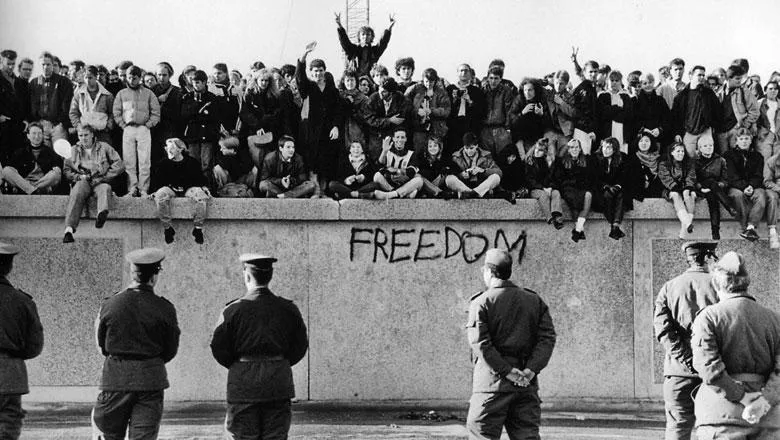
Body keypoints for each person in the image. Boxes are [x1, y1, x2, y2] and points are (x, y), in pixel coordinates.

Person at [210, 253, 308, 440]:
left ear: (247, 276)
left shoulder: (232, 310)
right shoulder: (288, 309)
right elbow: (300, 346)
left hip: (243, 384)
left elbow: (219, 348)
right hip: (278, 382)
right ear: (270, 276)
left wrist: (239, 365)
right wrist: (278, 363)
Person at [466, 248, 556, 440]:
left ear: (489, 272)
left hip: (491, 386)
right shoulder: (534, 300)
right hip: (526, 384)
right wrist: (531, 370)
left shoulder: (481, 302)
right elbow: (547, 338)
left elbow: (480, 343)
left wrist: (506, 371)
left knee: (482, 435)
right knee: (527, 436)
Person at [92, 247, 180, 440]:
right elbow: (170, 349)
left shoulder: (109, 304)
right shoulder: (165, 308)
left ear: (132, 273)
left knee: (107, 436)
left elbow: (101, 345)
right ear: (155, 275)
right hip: (150, 380)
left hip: (116, 379)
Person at [691, 251, 780, 440]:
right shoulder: (775, 319)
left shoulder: (708, 318)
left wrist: (742, 397)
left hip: (722, 416)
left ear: (716, 284)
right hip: (768, 418)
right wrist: (764, 401)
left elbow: (708, 368)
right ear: (746, 283)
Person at [653, 241, 719, 440]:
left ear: (689, 258)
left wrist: (688, 361)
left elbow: (664, 331)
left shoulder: (669, 287)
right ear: (708, 257)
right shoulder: (720, 285)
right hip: (715, 371)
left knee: (678, 428)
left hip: (678, 372)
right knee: (716, 429)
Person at [0, 242, 44, 440]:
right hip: (10, 374)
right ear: (9, 267)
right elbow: (34, 346)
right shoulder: (22, 301)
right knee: (7, 425)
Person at [62, 124, 124, 243]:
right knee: (78, 190)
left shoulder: (104, 147)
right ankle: (69, 230)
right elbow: (67, 170)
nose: (83, 138)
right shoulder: (73, 150)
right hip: (83, 180)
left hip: (100, 180)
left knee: (105, 188)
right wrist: (79, 177)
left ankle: (101, 214)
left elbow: (119, 164)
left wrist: (104, 177)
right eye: (80, 135)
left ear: (92, 135)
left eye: (86, 135)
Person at [296, 42, 344, 195]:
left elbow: (338, 110)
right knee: (313, 161)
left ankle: (324, 190)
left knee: (328, 161)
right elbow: (300, 78)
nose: (318, 74)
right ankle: (316, 190)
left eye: (321, 71)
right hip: (313, 131)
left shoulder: (332, 90)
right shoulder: (309, 87)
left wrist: (336, 126)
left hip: (329, 131)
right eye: (315, 71)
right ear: (311, 72)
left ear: (325, 71)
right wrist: (304, 56)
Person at [149, 138, 210, 244]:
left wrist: (204, 187)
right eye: (167, 148)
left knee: (201, 196)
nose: (169, 151)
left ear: (180, 149)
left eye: (172, 148)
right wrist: (154, 191)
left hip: (188, 188)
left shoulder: (191, 162)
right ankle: (168, 228)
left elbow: (199, 178)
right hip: (171, 188)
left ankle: (198, 228)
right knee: (160, 196)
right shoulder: (163, 163)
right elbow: (157, 181)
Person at [113, 65, 161, 197]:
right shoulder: (121, 94)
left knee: (144, 160)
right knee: (129, 160)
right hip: (128, 129)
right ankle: (132, 188)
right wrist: (123, 125)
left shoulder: (148, 93)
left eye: (135, 77)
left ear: (140, 78)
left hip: (143, 129)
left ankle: (144, 189)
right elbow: (116, 112)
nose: (132, 80)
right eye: (129, 77)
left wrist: (148, 125)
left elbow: (156, 112)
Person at [724, 128, 766, 241]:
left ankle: (751, 226)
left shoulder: (758, 156)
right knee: (737, 195)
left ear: (751, 140)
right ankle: (744, 227)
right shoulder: (729, 155)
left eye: (746, 138)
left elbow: (759, 175)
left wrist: (751, 186)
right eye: (741, 139)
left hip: (754, 186)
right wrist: (744, 187)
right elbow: (731, 176)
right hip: (736, 186)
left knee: (761, 195)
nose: (744, 141)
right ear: (736, 141)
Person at [671, 65, 721, 158]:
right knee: (689, 158)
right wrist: (677, 133)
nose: (702, 78)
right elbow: (675, 117)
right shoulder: (681, 96)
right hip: (688, 132)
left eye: (703, 75)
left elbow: (718, 111)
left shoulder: (709, 93)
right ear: (691, 75)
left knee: (707, 156)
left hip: (705, 131)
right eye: (699, 75)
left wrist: (712, 126)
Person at [1, 122, 62, 194]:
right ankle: (31, 190)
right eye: (34, 133)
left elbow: (56, 173)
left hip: (42, 183)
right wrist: (23, 183)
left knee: (57, 172)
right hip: (24, 182)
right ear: (28, 136)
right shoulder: (20, 152)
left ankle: (31, 189)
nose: (37, 136)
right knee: (6, 170)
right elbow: (11, 171)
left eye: (39, 133)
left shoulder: (49, 152)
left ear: (42, 135)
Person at [28, 51, 72, 148]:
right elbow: (31, 104)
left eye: (48, 64)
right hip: (41, 124)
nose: (45, 67)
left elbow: (67, 104)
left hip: (57, 125)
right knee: (43, 154)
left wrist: (61, 123)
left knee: (60, 152)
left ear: (53, 65)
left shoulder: (63, 81)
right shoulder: (34, 82)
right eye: (43, 64)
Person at [696, 135, 736, 240]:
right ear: (700, 148)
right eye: (705, 146)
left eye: (711, 145)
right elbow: (693, 180)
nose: (709, 147)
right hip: (701, 189)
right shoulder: (695, 161)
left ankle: (715, 232)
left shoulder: (721, 160)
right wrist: (700, 188)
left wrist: (718, 185)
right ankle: (730, 207)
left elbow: (725, 179)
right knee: (710, 182)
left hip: (716, 189)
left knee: (713, 198)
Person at [180, 70, 220, 177]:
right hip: (193, 136)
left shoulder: (212, 98)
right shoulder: (187, 98)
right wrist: (198, 112)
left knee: (206, 165)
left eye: (198, 82)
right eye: (193, 82)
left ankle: (207, 188)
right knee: (193, 163)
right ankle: (195, 187)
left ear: (204, 82)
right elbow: (184, 115)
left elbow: (215, 117)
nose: (195, 85)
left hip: (207, 136)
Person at [554, 138, 593, 242]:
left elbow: (589, 178)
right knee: (574, 199)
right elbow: (560, 179)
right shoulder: (562, 161)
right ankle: (579, 230)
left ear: (580, 149)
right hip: (568, 188)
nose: (574, 149)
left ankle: (577, 229)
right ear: (568, 149)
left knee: (588, 195)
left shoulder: (586, 160)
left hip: (582, 187)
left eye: (576, 147)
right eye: (572, 147)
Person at [362, 77, 408, 163]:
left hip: (393, 135)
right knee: (376, 161)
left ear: (391, 93)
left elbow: (401, 118)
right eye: (379, 89)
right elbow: (369, 119)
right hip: (376, 136)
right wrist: (389, 120)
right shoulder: (373, 98)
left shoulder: (400, 98)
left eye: (384, 92)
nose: (380, 93)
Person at [334, 12, 395, 77]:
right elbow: (344, 41)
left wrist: (389, 27)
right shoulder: (353, 50)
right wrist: (339, 25)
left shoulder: (374, 51)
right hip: (355, 79)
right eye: (363, 34)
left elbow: (383, 42)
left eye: (368, 34)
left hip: (369, 80)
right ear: (359, 36)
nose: (365, 36)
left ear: (372, 37)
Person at [592, 137, 630, 240]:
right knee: (607, 195)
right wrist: (605, 186)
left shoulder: (622, 158)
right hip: (601, 189)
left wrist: (617, 186)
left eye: (609, 148)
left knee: (621, 195)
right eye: (604, 147)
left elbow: (624, 176)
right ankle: (614, 225)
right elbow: (595, 178)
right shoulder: (595, 158)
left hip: (617, 188)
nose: (605, 150)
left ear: (614, 149)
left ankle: (615, 225)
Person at [446, 132, 502, 199]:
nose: (469, 151)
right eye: (466, 148)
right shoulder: (456, 157)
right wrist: (461, 175)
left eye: (471, 148)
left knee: (496, 177)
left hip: (480, 184)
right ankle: (471, 192)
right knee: (449, 178)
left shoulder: (486, 156)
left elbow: (499, 172)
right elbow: (452, 174)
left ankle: (474, 192)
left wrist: (483, 171)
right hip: (463, 185)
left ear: (476, 146)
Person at [445, 64, 486, 156]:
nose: (463, 73)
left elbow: (481, 111)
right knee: (453, 150)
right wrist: (454, 100)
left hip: (469, 125)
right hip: (453, 125)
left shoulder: (476, 91)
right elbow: (446, 108)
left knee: (469, 150)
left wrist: (470, 101)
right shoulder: (450, 89)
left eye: (466, 71)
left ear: (470, 73)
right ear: (457, 73)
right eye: (461, 71)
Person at [717, 65, 759, 153]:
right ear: (729, 78)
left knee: (737, 157)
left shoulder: (744, 91)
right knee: (724, 159)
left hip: (736, 130)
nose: (740, 81)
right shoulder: (719, 92)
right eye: (737, 79)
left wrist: (743, 126)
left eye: (740, 78)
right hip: (721, 131)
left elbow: (754, 111)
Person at [659, 142, 697, 239]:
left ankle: (686, 228)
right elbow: (666, 178)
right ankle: (688, 222)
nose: (681, 153)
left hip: (685, 187)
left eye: (682, 151)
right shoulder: (664, 164)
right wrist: (675, 187)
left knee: (691, 194)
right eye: (678, 151)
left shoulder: (688, 163)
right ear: (672, 153)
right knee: (676, 195)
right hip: (670, 188)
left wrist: (687, 188)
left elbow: (691, 177)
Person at [69, 65, 115, 144]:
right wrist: (78, 126)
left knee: (103, 153)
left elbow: (112, 113)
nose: (87, 80)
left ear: (96, 77)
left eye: (90, 78)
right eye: (86, 78)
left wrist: (108, 126)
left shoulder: (107, 95)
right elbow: (73, 112)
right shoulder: (79, 94)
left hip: (102, 133)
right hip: (85, 132)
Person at [373, 129, 423, 199]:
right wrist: (384, 151)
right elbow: (378, 167)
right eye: (397, 137)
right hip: (389, 183)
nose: (400, 140)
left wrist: (396, 171)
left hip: (405, 182)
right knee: (377, 176)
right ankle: (400, 193)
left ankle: (391, 195)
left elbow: (411, 171)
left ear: (406, 139)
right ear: (393, 139)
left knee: (419, 180)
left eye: (402, 137)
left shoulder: (411, 154)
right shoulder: (387, 151)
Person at [525, 138, 564, 229]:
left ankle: (557, 216)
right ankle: (549, 218)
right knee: (543, 195)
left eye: (541, 150)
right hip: (535, 189)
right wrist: (543, 188)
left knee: (556, 193)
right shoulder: (529, 161)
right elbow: (530, 180)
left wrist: (550, 166)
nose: (537, 152)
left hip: (547, 187)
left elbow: (551, 179)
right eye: (536, 149)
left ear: (545, 152)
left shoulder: (546, 161)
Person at [509, 78, 550, 159]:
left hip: (536, 138)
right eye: (525, 90)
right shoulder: (518, 100)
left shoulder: (542, 100)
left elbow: (549, 123)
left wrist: (541, 114)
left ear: (535, 90)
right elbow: (511, 121)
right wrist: (522, 113)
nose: (527, 93)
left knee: (533, 160)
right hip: (520, 138)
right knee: (523, 160)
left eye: (530, 90)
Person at [151, 62, 182, 166]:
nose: (161, 77)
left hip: (170, 130)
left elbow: (178, 114)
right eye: (159, 75)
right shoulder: (151, 91)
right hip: (154, 131)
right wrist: (157, 100)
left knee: (170, 158)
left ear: (170, 75)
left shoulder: (177, 91)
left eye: (164, 75)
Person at [633, 72, 671, 155]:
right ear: (641, 85)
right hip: (642, 140)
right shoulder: (635, 101)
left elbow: (668, 119)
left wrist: (660, 129)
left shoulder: (660, 100)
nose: (648, 85)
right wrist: (643, 129)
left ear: (654, 83)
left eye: (650, 82)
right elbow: (632, 120)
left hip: (658, 138)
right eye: (645, 83)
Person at [480, 66, 514, 157]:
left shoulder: (506, 91)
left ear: (500, 79)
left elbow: (509, 110)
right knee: (487, 156)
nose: (493, 81)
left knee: (503, 155)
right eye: (491, 78)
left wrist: (508, 128)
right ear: (487, 78)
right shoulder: (483, 90)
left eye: (496, 78)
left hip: (500, 128)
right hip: (485, 129)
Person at [597, 70, 634, 153]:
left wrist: (612, 113)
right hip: (607, 132)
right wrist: (618, 107)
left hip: (622, 132)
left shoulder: (626, 96)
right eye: (612, 80)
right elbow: (603, 114)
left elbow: (628, 115)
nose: (614, 83)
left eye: (617, 80)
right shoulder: (603, 96)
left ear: (621, 82)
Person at [0, 50, 26, 163]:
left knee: (17, 157)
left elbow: (24, 103)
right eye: (8, 64)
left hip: (17, 125)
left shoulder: (19, 82)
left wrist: (25, 120)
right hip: (3, 126)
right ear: (1, 61)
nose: (11, 67)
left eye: (13, 64)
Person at [545, 70, 576, 158]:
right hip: (551, 131)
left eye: (561, 83)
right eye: (556, 83)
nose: (558, 86)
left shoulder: (570, 96)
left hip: (565, 132)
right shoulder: (549, 94)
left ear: (566, 84)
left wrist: (561, 103)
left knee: (564, 157)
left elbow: (573, 113)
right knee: (550, 157)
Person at [572, 60, 600, 155]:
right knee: (583, 157)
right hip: (583, 130)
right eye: (590, 72)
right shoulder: (585, 89)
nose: (593, 74)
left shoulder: (590, 87)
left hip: (585, 129)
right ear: (585, 73)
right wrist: (590, 130)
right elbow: (581, 112)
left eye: (595, 71)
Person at [628, 133, 664, 202]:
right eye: (641, 141)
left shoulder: (658, 158)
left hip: (656, 194)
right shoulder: (633, 158)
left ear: (651, 143)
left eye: (647, 141)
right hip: (639, 194)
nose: (644, 143)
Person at [338, 69, 369, 149]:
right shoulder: (339, 96)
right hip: (341, 129)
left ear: (356, 81)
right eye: (347, 80)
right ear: (343, 82)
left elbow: (365, 117)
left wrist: (352, 108)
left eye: (352, 80)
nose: (350, 83)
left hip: (356, 129)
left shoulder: (363, 98)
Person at [757, 80, 780, 162]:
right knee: (765, 160)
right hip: (764, 136)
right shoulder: (759, 103)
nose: (773, 91)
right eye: (770, 88)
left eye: (776, 89)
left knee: (777, 162)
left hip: (778, 136)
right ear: (765, 90)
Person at [763, 149, 780, 249]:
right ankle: (772, 231)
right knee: (772, 198)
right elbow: (767, 181)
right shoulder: (772, 161)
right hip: (774, 188)